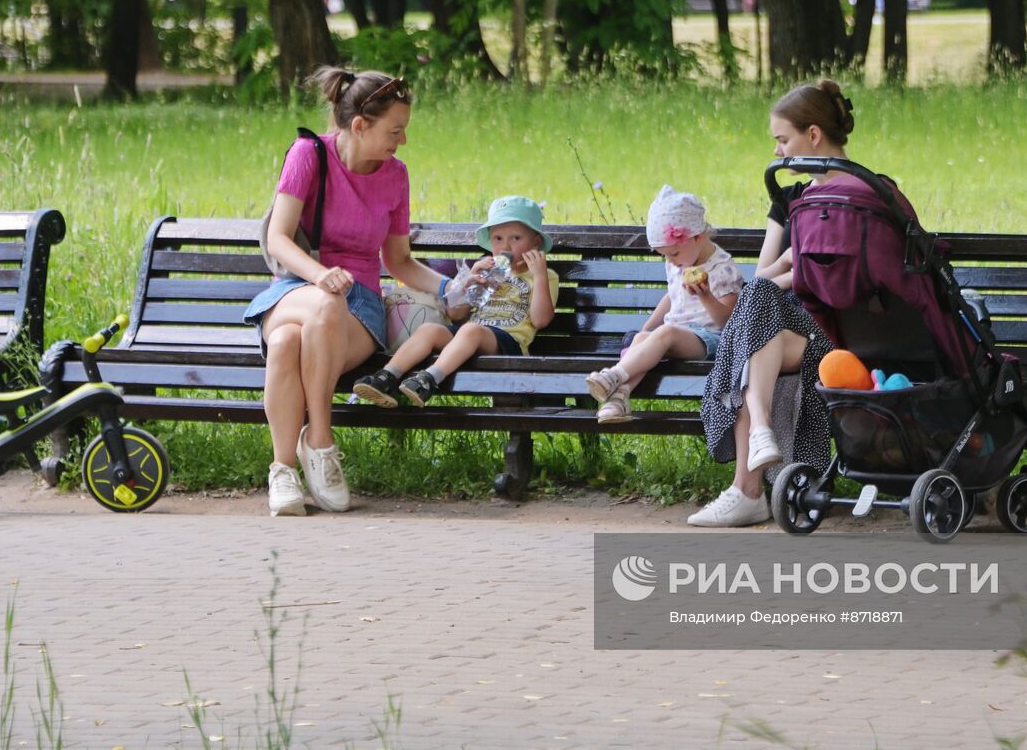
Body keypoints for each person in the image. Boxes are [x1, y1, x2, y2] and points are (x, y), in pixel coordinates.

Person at [244, 67, 449, 517]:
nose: (403, 141)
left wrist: (451, 287)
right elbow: (278, 238)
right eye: (395, 131)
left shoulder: (395, 176)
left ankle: (289, 462)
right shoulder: (308, 154)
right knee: (320, 304)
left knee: (285, 342)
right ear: (360, 125)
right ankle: (317, 444)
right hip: (295, 288)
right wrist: (319, 275)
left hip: (359, 307)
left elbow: (397, 262)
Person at [690, 79, 856, 527]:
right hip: (784, 330)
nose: (779, 152)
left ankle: (748, 486)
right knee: (759, 308)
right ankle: (754, 462)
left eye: (783, 140)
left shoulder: (861, 194)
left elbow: (843, 280)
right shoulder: (791, 198)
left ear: (814, 135)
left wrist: (796, 268)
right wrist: (794, 263)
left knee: (753, 322)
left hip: (837, 330)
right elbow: (762, 275)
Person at [351, 195, 558, 407]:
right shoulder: (488, 271)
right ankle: (387, 377)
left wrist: (540, 276)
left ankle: (428, 380)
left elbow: (540, 320)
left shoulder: (544, 276)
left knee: (471, 331)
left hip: (508, 343)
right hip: (468, 338)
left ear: (536, 242)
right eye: (498, 239)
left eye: (516, 238)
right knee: (430, 329)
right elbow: (456, 314)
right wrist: (469, 286)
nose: (506, 246)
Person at [585, 186, 742, 424]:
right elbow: (672, 297)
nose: (670, 261)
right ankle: (618, 400)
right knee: (641, 339)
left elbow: (727, 321)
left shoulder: (723, 269)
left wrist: (705, 295)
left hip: (711, 339)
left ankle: (614, 375)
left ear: (698, 237)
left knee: (665, 332)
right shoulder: (680, 262)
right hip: (675, 334)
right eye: (664, 255)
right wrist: (646, 330)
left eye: (674, 253)